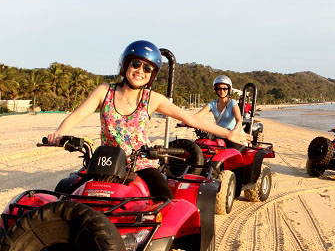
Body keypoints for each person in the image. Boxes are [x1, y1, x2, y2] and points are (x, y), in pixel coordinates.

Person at [47, 40, 250, 200]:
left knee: (163, 199)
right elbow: (77, 115)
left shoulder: (151, 99)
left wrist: (229, 134)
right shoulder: (104, 91)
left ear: (152, 75)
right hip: (106, 164)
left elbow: (190, 118)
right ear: (126, 65)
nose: (140, 71)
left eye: (147, 68)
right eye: (136, 64)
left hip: (142, 164)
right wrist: (59, 133)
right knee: (70, 194)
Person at [194, 75, 243, 145]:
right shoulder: (212, 104)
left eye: (225, 88)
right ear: (215, 90)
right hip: (218, 137)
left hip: (232, 136)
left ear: (229, 89)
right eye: (219, 89)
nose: (222, 91)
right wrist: (185, 122)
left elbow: (239, 120)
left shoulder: (232, 103)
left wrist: (237, 128)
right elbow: (197, 115)